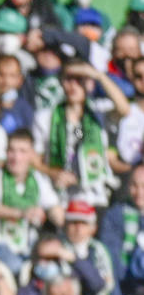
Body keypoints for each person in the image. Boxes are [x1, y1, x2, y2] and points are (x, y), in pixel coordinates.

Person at [32, 60, 128, 208]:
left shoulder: (98, 112)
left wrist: (99, 76)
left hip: (95, 195)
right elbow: (34, 160)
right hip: (61, 196)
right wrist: (53, 173)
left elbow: (124, 109)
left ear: (89, 83)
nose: (74, 85)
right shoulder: (46, 117)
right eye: (69, 79)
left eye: (80, 80)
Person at [0, 128, 62, 267]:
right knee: (16, 266)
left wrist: (55, 219)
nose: (16, 158)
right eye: (12, 150)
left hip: (25, 246)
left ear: (32, 155)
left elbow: (56, 210)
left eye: (22, 151)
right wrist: (22, 214)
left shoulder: (37, 179)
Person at [100, 164, 144, 295]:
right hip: (127, 287)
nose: (139, 192)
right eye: (134, 185)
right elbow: (111, 259)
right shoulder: (115, 215)